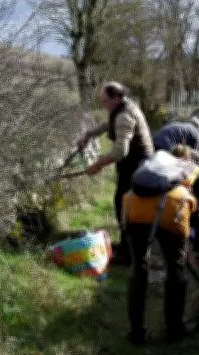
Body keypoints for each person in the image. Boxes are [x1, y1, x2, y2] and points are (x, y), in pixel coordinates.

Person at [120, 149, 199, 345]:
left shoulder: (151, 166)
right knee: (176, 270)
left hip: (133, 207)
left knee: (138, 267)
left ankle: (136, 333)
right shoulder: (194, 172)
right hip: (173, 209)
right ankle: (175, 330)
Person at [76, 82, 154, 265]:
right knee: (123, 204)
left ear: (116, 98)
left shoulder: (125, 115)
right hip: (133, 165)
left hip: (137, 167)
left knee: (125, 207)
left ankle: (129, 255)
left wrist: (98, 164)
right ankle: (127, 246)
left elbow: (120, 151)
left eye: (105, 101)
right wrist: (88, 134)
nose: (103, 105)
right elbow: (108, 124)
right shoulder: (121, 108)